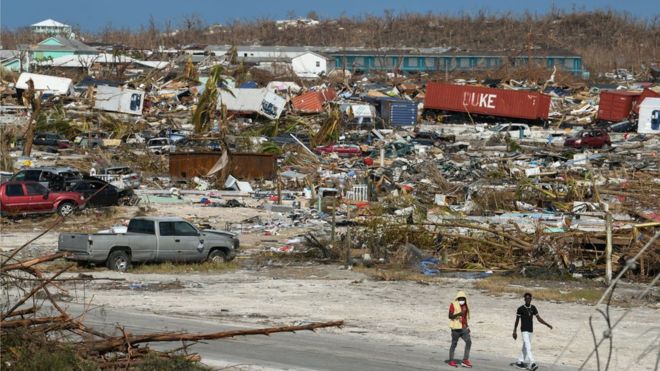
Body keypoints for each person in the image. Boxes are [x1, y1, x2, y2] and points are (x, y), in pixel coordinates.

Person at [512, 293, 553, 370]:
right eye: (526, 298)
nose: (528, 299)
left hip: (530, 330)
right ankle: (532, 363)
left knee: (525, 346)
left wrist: (547, 324)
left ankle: (519, 362)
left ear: (531, 299)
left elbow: (539, 318)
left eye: (529, 298)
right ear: (524, 299)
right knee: (528, 346)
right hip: (524, 330)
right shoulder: (520, 309)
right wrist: (514, 331)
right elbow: (517, 320)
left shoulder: (533, 308)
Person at [447, 290, 472, 368]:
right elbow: (450, 316)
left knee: (469, 342)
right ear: (457, 298)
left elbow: (465, 317)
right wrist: (458, 314)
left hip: (463, 328)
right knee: (454, 344)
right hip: (455, 328)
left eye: (463, 299)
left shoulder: (466, 305)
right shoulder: (453, 304)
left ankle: (465, 360)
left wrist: (467, 327)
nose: (462, 300)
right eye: (460, 299)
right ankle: (451, 360)